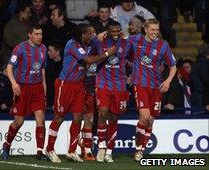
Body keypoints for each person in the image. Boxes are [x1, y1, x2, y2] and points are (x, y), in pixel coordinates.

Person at [45, 23, 116, 163]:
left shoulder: (89, 43)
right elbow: (88, 60)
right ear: (83, 35)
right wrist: (108, 54)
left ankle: (72, 151)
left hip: (79, 85)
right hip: (65, 84)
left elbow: (101, 38)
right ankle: (49, 149)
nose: (93, 35)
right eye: (91, 33)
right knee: (59, 117)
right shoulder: (72, 44)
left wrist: (104, 34)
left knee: (78, 118)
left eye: (94, 32)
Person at [128, 18, 177, 161]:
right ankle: (138, 150)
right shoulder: (135, 39)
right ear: (145, 28)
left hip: (156, 87)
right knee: (144, 116)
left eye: (157, 30)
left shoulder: (163, 46)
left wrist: (167, 81)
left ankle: (141, 149)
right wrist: (104, 34)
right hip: (140, 84)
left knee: (150, 120)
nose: (155, 32)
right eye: (152, 29)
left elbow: (173, 66)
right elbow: (119, 39)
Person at [1, 25, 47, 160]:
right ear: (29, 35)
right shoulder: (20, 48)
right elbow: (9, 67)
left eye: (41, 34)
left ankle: (39, 151)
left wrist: (44, 91)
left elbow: (42, 71)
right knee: (18, 121)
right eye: (36, 34)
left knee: (40, 117)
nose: (39, 37)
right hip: (22, 88)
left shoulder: (43, 48)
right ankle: (6, 145)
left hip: (37, 87)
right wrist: (14, 83)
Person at [93, 21, 131, 163]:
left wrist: (133, 75)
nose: (115, 33)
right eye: (112, 31)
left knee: (114, 118)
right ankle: (101, 147)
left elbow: (134, 60)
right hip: (103, 83)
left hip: (120, 85)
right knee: (102, 112)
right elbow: (89, 44)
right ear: (107, 31)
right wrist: (98, 36)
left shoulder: (126, 44)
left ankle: (110, 151)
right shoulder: (100, 43)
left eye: (118, 30)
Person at [46, 40, 63, 107]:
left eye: (50, 51)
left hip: (62, 99)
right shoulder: (47, 66)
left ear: (57, 52)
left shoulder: (65, 65)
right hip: (50, 101)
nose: (48, 52)